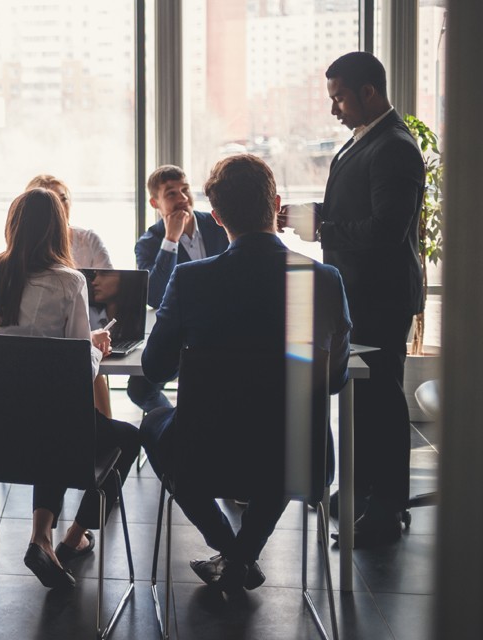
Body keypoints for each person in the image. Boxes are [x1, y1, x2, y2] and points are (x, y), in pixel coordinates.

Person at [140, 154, 352, 592]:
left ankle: (229, 548)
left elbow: (153, 370)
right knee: (282, 436)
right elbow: (333, 381)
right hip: (301, 458)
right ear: (276, 204)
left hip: (206, 452)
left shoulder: (192, 281)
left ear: (216, 217)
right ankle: (244, 554)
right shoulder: (322, 279)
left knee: (155, 427)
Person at [279, 52, 426, 547]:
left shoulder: (396, 148)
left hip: (380, 298)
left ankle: (385, 509)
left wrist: (325, 226)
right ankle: (363, 495)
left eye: (339, 97)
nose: (334, 108)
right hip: (358, 293)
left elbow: (387, 231)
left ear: (369, 92)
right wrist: (309, 216)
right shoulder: (363, 142)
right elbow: (353, 210)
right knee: (362, 400)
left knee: (382, 401)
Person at [0, 188, 142, 590]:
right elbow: (79, 371)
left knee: (56, 421)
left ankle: (42, 537)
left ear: (12, 225)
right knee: (124, 438)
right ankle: (73, 535)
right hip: (56, 434)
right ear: (59, 231)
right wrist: (96, 347)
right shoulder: (69, 282)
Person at [130, 165, 231, 413]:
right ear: (155, 202)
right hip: (179, 331)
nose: (182, 198)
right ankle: (175, 424)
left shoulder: (219, 225)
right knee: (140, 387)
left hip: (223, 328)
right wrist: (171, 241)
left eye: (185, 190)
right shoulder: (148, 243)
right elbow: (154, 296)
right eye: (171, 193)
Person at [27, 175, 116, 418]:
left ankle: (98, 428)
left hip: (86, 322)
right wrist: (92, 346)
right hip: (58, 342)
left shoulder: (87, 240)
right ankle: (98, 434)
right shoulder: (70, 279)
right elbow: (80, 362)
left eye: (62, 199)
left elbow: (108, 285)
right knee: (88, 360)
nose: (57, 207)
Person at [26, 175, 113, 269]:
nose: (61, 208)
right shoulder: (25, 246)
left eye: (63, 199)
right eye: (53, 203)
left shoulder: (89, 240)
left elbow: (109, 280)